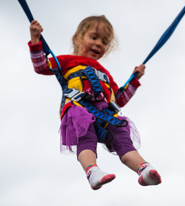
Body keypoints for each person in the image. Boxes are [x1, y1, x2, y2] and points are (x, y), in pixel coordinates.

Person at [28, 15, 162, 190]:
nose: (99, 43)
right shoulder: (67, 61)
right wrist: (36, 39)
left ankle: (143, 169)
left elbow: (119, 99)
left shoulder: (104, 73)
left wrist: (134, 80)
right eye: (94, 37)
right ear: (78, 38)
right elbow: (41, 66)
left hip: (104, 112)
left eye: (105, 42)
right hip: (78, 108)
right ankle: (92, 171)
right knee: (86, 136)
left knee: (122, 136)